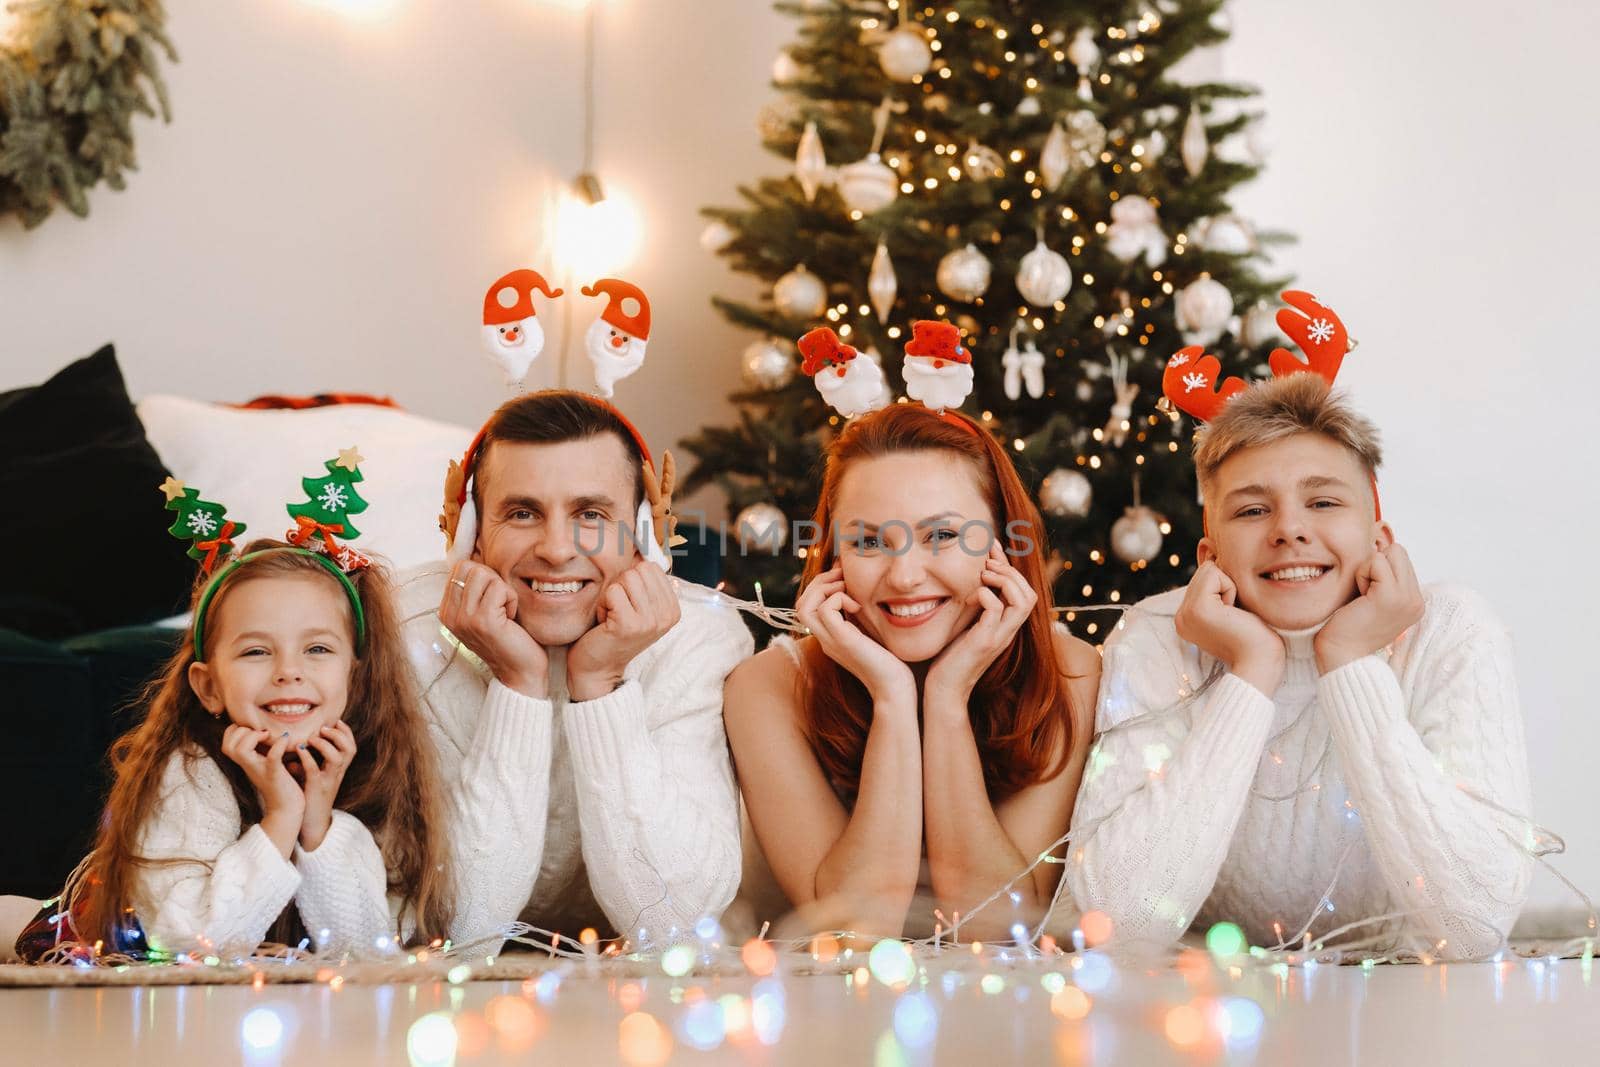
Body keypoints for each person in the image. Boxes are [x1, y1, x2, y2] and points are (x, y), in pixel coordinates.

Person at [1067, 297, 1533, 960]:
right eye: (1253, 509)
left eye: (1323, 500)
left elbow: (1472, 925)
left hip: (1408, 1009)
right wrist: (1252, 671)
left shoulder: (1453, 631)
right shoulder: (1157, 635)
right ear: (1209, 554)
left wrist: (1348, 658)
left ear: (1380, 536)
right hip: (1210, 1012)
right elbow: (1122, 923)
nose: (1290, 528)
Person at [724, 404, 1098, 940]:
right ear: (833, 556)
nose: (904, 576)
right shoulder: (767, 688)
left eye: (943, 536)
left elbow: (994, 927)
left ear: (1002, 543)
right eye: (869, 542)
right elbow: (854, 931)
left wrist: (947, 698)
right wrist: (893, 697)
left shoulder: (1071, 676)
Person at [398, 390, 752, 952]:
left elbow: (673, 924)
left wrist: (600, 686)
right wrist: (518, 685)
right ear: (471, 533)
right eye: (521, 513)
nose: (558, 549)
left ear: (640, 531)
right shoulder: (404, 633)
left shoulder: (702, 636)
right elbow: (455, 930)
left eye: (590, 515)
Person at [21, 538, 454, 961]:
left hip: (271, 1004)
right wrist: (282, 816)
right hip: (103, 937)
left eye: (317, 648)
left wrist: (318, 823)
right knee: (18, 924)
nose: (289, 671)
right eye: (256, 651)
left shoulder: (375, 767)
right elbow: (190, 942)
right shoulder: (190, 771)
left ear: (354, 679)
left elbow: (364, 954)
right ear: (209, 687)